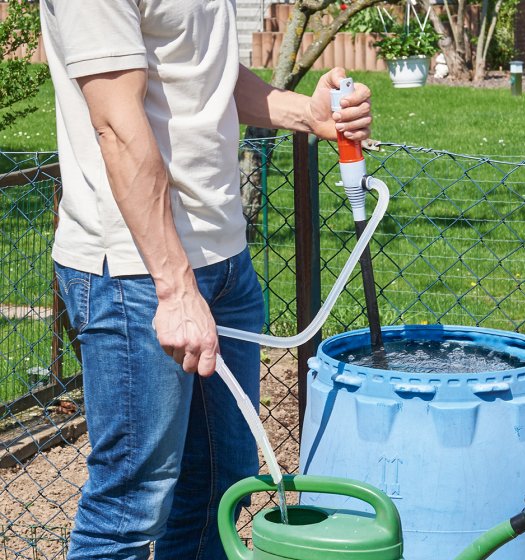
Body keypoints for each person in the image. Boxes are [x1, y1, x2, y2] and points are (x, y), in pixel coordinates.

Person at [39, 1, 371, 558]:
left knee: (220, 486)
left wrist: (304, 112)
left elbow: (201, 70)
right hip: (137, 273)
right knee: (129, 507)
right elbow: (117, 127)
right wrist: (175, 289)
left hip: (223, 265)